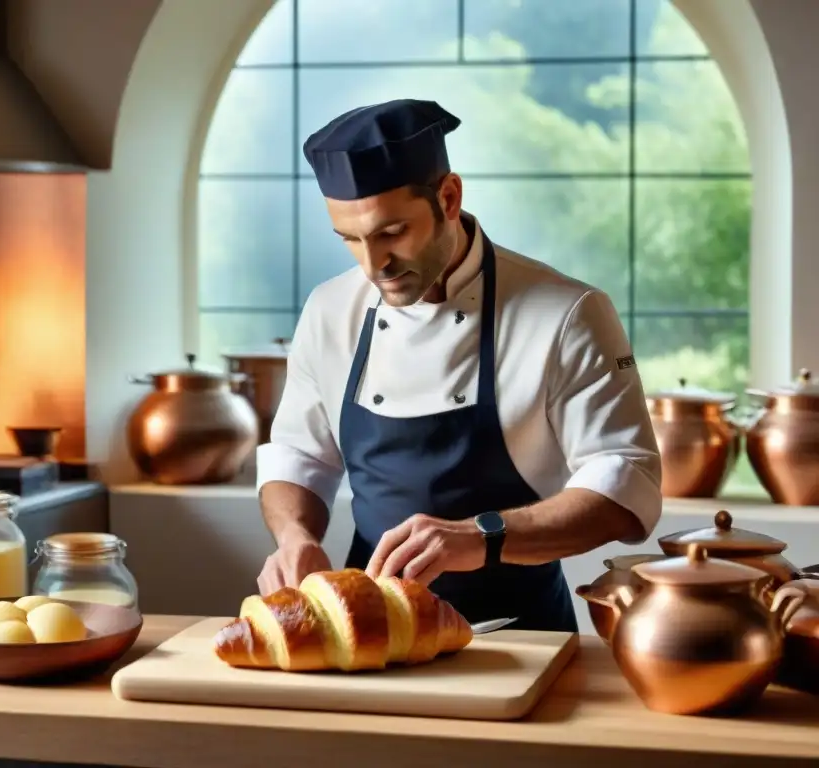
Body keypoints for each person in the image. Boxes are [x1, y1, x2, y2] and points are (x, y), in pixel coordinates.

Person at [254, 98, 661, 632]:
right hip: (369, 631)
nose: (374, 265)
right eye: (351, 240)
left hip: (520, 632)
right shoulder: (329, 310)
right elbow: (298, 455)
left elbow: (624, 481)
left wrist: (483, 535)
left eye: (391, 232)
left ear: (448, 197)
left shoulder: (567, 313)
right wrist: (295, 538)